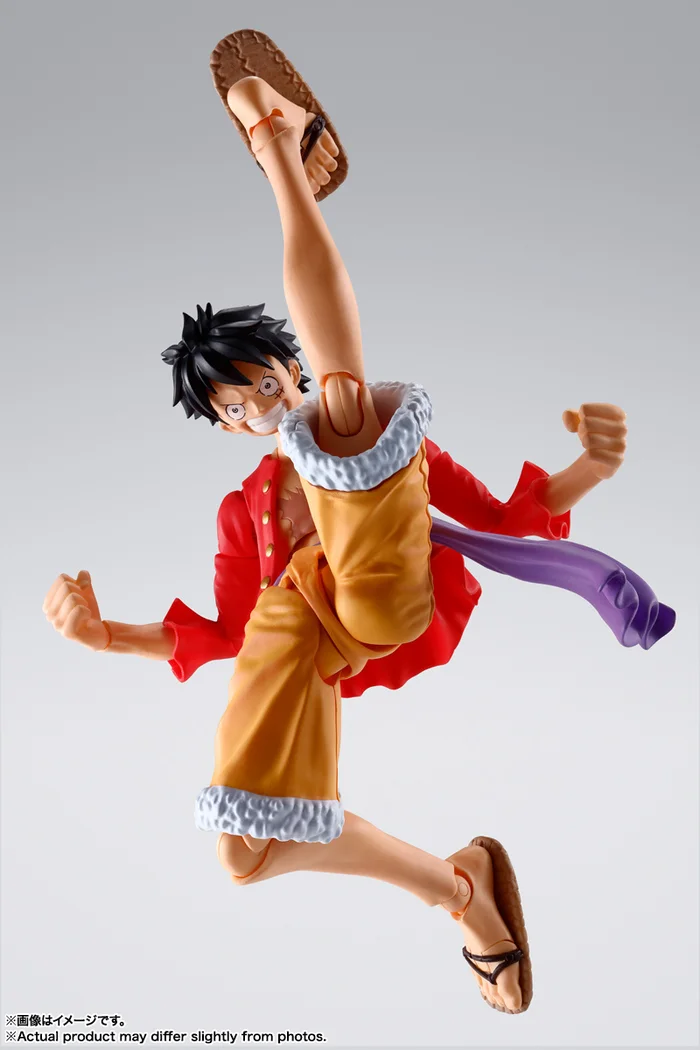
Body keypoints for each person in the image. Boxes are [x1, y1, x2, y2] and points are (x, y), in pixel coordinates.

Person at [43, 61, 673, 1016]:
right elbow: (225, 630)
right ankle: (460, 890)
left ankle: (278, 147)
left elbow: (498, 522)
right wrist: (107, 636)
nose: (260, 407)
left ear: (290, 365)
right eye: (236, 407)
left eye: (266, 382)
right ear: (224, 428)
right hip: (301, 642)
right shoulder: (244, 511)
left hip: (382, 597)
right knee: (243, 851)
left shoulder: (351, 423)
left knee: (343, 420)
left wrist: (586, 469)